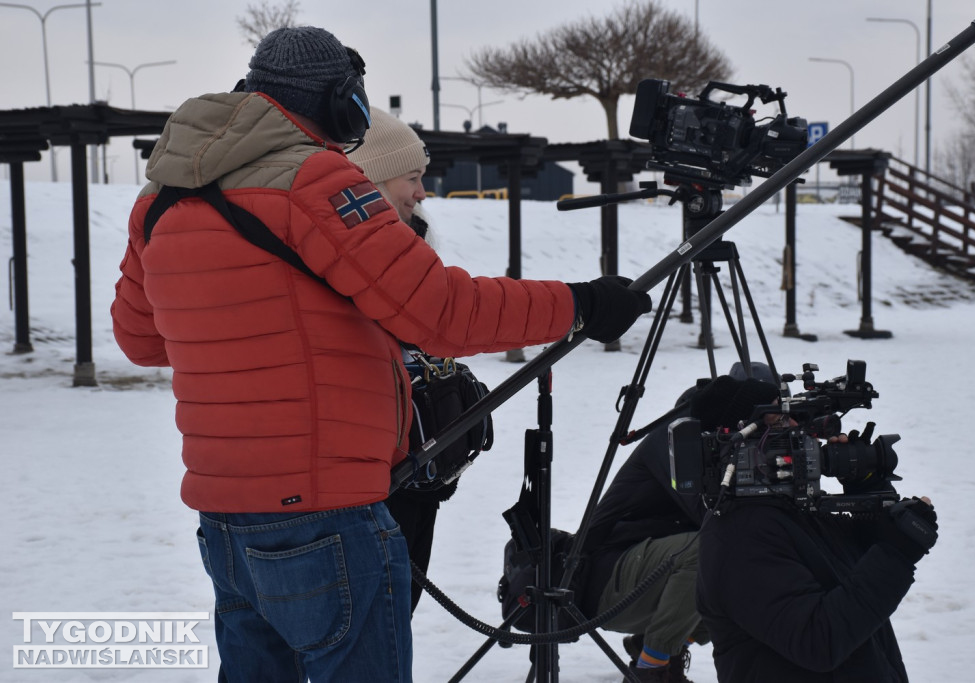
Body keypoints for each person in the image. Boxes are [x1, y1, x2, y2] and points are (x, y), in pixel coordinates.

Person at [110, 26, 651, 683]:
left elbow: (141, 338)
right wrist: (582, 302)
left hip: (225, 520)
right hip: (325, 513)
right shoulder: (317, 180)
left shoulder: (161, 198)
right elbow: (443, 312)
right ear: (342, 103)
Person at [694, 373, 940, 682]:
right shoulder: (740, 536)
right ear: (740, 443)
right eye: (780, 421)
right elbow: (818, 642)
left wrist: (866, 489)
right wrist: (896, 555)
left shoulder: (790, 505)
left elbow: (855, 574)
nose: (800, 428)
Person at [579, 363, 779, 683]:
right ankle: (651, 669)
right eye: (766, 416)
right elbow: (714, 517)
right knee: (714, 549)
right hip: (604, 580)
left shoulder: (720, 439)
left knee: (747, 564)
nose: (770, 425)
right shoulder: (679, 436)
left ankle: (655, 646)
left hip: (642, 572)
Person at [347, 106, 455, 612]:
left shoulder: (416, 240)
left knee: (398, 610)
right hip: (366, 478)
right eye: (411, 178)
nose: (421, 192)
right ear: (368, 181)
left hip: (418, 467)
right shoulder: (342, 255)